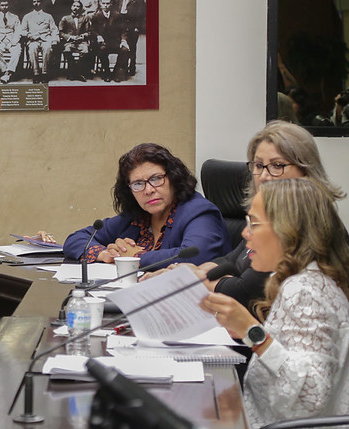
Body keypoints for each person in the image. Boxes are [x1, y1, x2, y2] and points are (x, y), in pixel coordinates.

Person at [144, 120, 345, 309]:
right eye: (258, 165)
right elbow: (232, 261)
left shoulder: (309, 219)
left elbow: (245, 290)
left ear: (305, 169)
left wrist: (190, 281)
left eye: (277, 165)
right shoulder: (266, 215)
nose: (264, 176)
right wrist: (187, 272)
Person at [201, 178, 349, 428]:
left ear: (290, 230)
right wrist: (245, 331)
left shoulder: (305, 291)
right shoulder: (306, 281)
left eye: (254, 224)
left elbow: (311, 396)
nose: (244, 233)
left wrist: (251, 330)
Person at [63, 143, 230, 268]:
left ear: (174, 178)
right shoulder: (137, 217)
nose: (148, 190)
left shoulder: (199, 212)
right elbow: (76, 239)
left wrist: (135, 257)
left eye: (156, 179)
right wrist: (105, 254)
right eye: (138, 184)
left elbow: (195, 257)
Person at [21, 0, 59, 83]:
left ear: (41, 3)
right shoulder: (27, 16)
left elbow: (54, 29)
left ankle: (45, 73)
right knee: (32, 49)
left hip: (46, 39)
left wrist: (54, 39)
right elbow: (22, 30)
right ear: (32, 3)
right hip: (33, 39)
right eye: (34, 1)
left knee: (48, 48)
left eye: (38, 1)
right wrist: (28, 35)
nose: (36, 3)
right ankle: (36, 73)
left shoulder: (48, 16)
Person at [115, 0, 145, 76]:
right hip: (121, 23)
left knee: (132, 46)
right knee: (123, 45)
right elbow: (116, 9)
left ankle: (132, 67)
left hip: (132, 24)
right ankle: (122, 67)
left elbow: (141, 12)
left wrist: (137, 26)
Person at [0, 0, 22, 84]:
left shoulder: (15, 17)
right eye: (2, 5)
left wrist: (15, 40)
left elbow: (18, 30)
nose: (4, 7)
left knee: (17, 51)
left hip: (11, 39)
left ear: (9, 6)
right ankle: (6, 71)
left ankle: (7, 73)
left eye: (6, 5)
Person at [58, 0, 93, 82]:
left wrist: (82, 36)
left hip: (81, 42)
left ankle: (75, 72)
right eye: (74, 6)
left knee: (85, 50)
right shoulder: (65, 18)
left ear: (81, 8)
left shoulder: (85, 18)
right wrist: (70, 37)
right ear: (71, 7)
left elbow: (89, 31)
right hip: (70, 42)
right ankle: (74, 72)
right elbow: (60, 32)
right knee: (67, 50)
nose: (75, 8)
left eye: (78, 6)